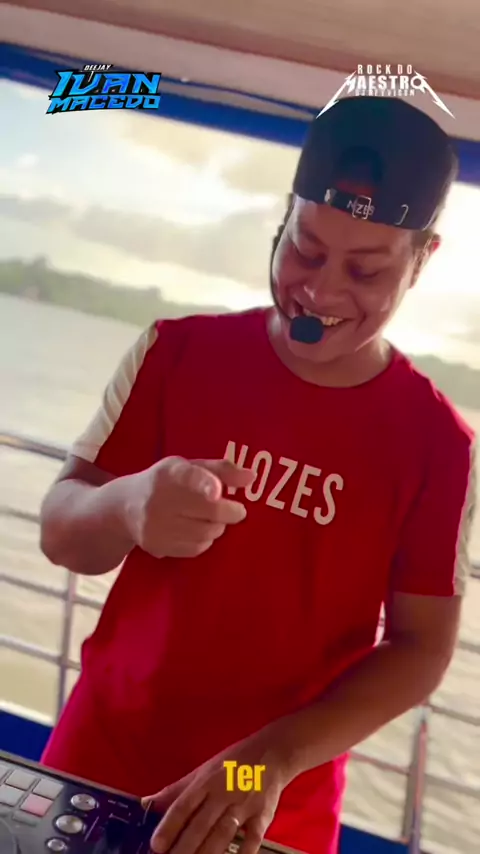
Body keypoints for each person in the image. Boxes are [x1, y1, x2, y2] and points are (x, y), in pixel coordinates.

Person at [39, 96, 476, 854]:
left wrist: (264, 763)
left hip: (267, 799)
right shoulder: (176, 353)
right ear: (284, 219)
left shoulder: (438, 442)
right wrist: (126, 505)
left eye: (366, 270)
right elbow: (61, 531)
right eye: (306, 249)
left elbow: (420, 649)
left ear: (422, 259)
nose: (322, 293)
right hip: (99, 759)